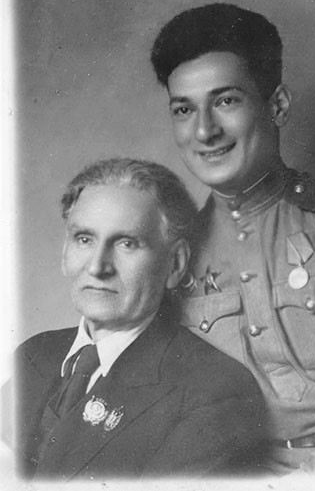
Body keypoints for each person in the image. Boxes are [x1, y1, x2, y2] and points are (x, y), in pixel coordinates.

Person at [150, 3, 315, 476]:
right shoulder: (176, 254)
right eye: (184, 109)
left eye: (225, 101)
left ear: (276, 105)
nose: (204, 131)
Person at [14, 157, 266, 481]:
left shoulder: (214, 391)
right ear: (65, 253)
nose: (97, 266)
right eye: (84, 239)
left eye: (126, 243)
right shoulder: (34, 354)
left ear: (175, 264)